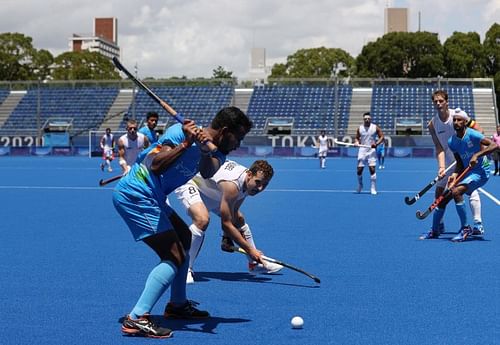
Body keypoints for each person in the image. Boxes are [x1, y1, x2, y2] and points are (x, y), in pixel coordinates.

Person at [113, 106, 253, 338]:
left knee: (185, 237)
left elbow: (208, 172)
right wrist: (187, 144)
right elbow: (156, 165)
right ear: (226, 131)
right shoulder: (179, 132)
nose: (239, 143)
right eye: (238, 137)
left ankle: (177, 305)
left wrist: (206, 149)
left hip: (154, 198)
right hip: (137, 194)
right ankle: (137, 318)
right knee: (174, 255)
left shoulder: (218, 153)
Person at [174, 159, 283, 284]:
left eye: (265, 184)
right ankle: (185, 268)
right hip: (191, 183)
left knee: (239, 219)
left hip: (212, 190)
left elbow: (232, 216)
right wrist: (249, 249)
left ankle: (255, 263)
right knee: (202, 220)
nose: (260, 188)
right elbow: (226, 224)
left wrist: (227, 237)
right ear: (249, 175)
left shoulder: (249, 185)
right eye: (258, 182)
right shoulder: (233, 185)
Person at [421, 110, 497, 242]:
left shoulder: (473, 134)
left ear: (465, 122)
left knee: (456, 192)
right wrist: (455, 175)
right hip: (468, 172)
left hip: (481, 172)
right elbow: (460, 164)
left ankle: (465, 229)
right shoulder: (452, 142)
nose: (456, 122)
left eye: (459, 120)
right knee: (444, 198)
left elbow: (494, 145)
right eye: (454, 120)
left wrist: (477, 155)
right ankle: (434, 231)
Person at [354, 112, 384, 195]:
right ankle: (360, 185)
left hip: (371, 150)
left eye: (368, 119)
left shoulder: (375, 127)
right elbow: (356, 138)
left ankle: (373, 188)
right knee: (359, 170)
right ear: (363, 119)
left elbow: (382, 136)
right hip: (362, 150)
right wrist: (356, 142)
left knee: (372, 169)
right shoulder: (360, 128)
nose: (367, 120)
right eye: (365, 119)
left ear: (370, 119)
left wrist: (376, 144)